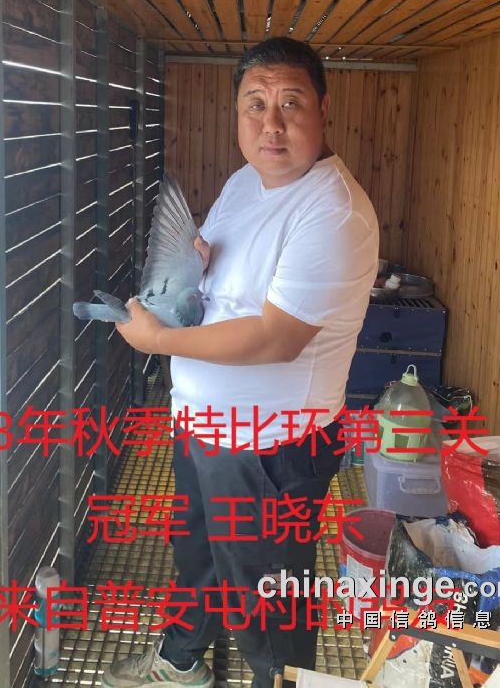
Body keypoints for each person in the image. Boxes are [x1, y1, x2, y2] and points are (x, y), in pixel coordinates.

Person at [102, 38, 379, 688]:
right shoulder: (243, 183)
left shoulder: (332, 212)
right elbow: (223, 275)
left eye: (291, 103)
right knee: (197, 557)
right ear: (236, 113)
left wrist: (158, 341)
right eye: (256, 104)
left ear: (323, 109)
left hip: (271, 451)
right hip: (205, 428)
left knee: (267, 603)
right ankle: (181, 662)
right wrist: (193, 264)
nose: (271, 123)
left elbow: (275, 338)